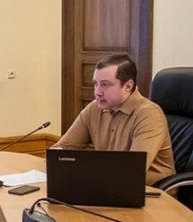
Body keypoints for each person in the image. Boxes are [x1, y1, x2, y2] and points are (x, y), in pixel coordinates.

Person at [52, 54, 174, 186]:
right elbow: (60, 149)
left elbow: (132, 170)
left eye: (105, 85)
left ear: (128, 86)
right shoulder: (95, 108)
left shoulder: (149, 114)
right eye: (95, 84)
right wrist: (58, 159)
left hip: (150, 191)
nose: (97, 92)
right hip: (107, 185)